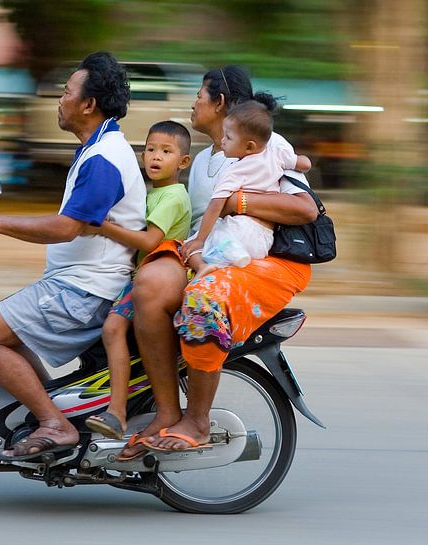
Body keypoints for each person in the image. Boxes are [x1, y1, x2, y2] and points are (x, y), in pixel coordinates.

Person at [0, 52, 146, 460]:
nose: (60, 99)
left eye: (66, 92)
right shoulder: (97, 149)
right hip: (76, 283)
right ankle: (55, 414)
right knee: (5, 334)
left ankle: (53, 424)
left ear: (88, 104)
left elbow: (66, 227)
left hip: (84, 290)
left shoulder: (104, 159)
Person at [119, 65, 318, 459]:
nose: (193, 103)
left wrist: (235, 202)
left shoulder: (263, 144)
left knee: (202, 301)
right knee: (144, 288)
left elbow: (306, 209)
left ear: (220, 103)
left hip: (263, 260)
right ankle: (164, 410)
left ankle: (197, 420)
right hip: (206, 251)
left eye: (199, 95)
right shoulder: (204, 157)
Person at [83, 121, 192, 440]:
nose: (155, 156)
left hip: (153, 281)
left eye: (166, 151)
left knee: (112, 328)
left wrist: (103, 227)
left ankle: (116, 413)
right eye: (150, 149)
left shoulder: (172, 197)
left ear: (183, 162)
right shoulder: (154, 193)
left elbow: (149, 241)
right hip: (139, 276)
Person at [183, 99, 312, 277]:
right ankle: (235, 256)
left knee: (191, 246)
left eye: (228, 137)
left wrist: (199, 239)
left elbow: (215, 206)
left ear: (249, 146)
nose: (222, 141)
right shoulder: (277, 154)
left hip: (237, 232)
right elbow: (304, 163)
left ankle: (214, 262)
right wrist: (300, 160)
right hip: (264, 240)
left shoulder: (234, 171)